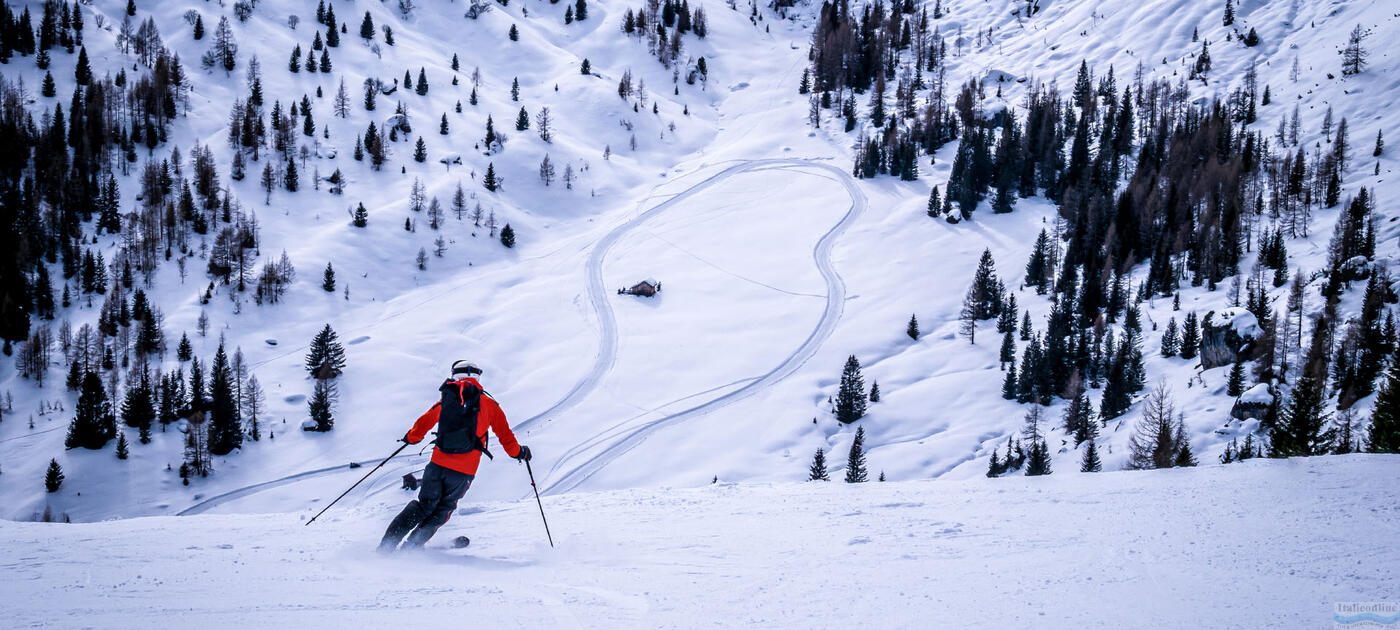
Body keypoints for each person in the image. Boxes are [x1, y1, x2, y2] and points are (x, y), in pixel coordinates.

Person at [379, 361, 531, 551]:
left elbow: (423, 422)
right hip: (463, 472)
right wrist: (520, 453)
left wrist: (411, 438)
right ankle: (412, 547)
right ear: (477, 377)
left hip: (437, 465)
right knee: (443, 510)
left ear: (455, 376)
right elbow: (506, 437)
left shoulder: (447, 399)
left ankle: (386, 546)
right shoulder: (489, 405)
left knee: (423, 505)